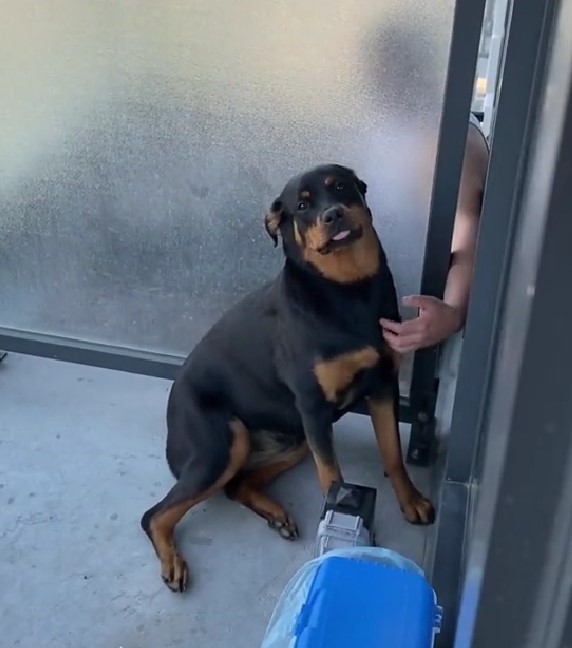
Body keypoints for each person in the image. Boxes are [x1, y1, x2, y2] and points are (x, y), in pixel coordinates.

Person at [380, 114, 490, 354]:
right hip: (386, 328)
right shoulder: (382, 128)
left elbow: (465, 239)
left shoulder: (450, 137)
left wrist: (452, 312)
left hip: (428, 346)